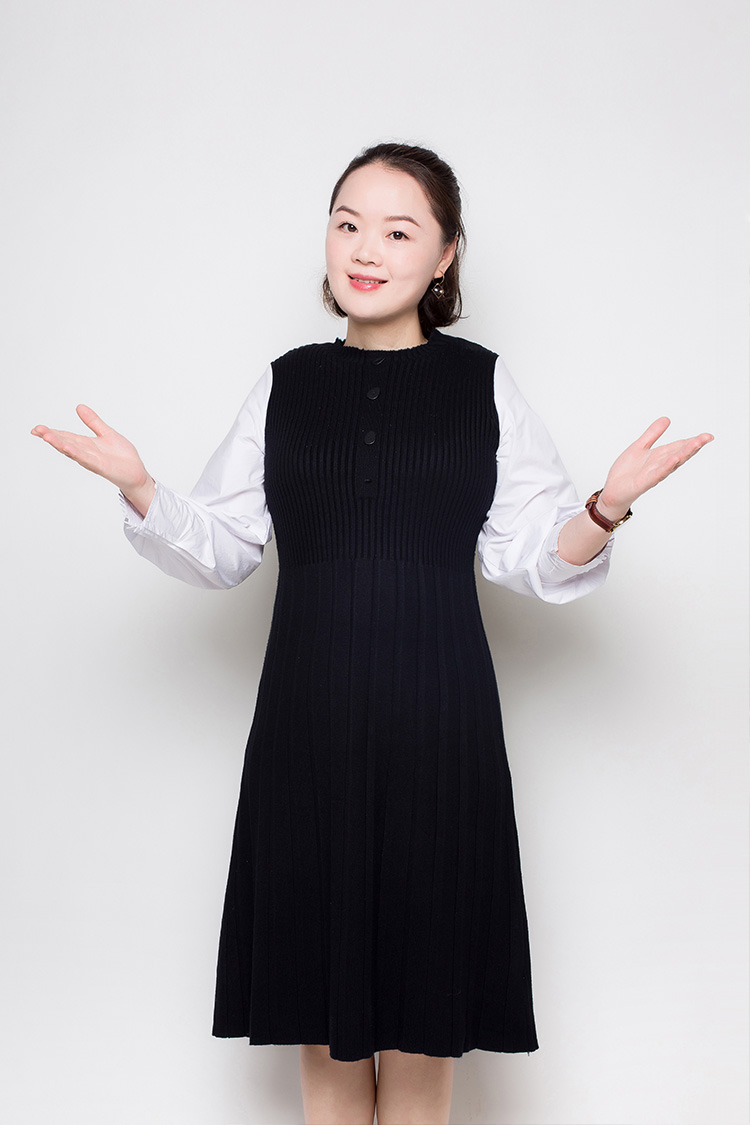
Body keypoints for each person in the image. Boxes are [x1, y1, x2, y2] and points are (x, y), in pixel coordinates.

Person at [31, 142, 713, 1125]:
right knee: (323, 1023)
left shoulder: (482, 384)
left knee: (425, 1025)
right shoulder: (286, 384)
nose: (365, 249)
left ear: (445, 256)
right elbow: (223, 550)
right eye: (348, 222)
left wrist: (605, 508)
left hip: (441, 729)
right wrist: (141, 487)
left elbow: (530, 555)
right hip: (305, 729)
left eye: (398, 231)